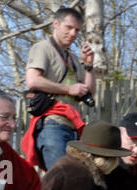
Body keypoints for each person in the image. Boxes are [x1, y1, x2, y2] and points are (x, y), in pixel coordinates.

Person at [20, 6, 95, 172]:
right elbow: (32, 80)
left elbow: (88, 91)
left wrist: (89, 65)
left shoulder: (74, 58)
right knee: (60, 180)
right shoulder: (43, 48)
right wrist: (68, 89)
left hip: (73, 127)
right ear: (55, 24)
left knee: (73, 181)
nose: (73, 33)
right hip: (53, 124)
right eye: (69, 27)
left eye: (77, 30)